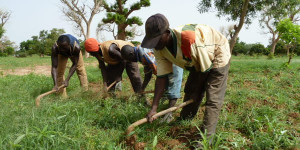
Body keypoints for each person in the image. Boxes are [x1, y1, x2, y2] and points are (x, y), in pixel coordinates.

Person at [141, 13, 231, 145]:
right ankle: (184, 121)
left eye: (157, 39)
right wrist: (154, 108)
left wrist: (199, 91)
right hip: (197, 61)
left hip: (217, 51)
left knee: (213, 98)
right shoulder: (159, 48)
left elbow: (204, 71)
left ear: (167, 32)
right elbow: (161, 79)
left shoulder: (188, 39)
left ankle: (205, 140)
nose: (155, 44)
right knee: (191, 91)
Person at [121, 45, 183, 122]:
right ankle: (164, 106)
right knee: (166, 86)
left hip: (174, 60)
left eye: (129, 59)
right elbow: (148, 74)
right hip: (166, 63)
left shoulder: (145, 54)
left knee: (173, 86)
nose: (131, 62)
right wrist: (142, 89)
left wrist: (154, 107)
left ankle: (168, 114)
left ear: (131, 54)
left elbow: (160, 75)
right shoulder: (140, 53)